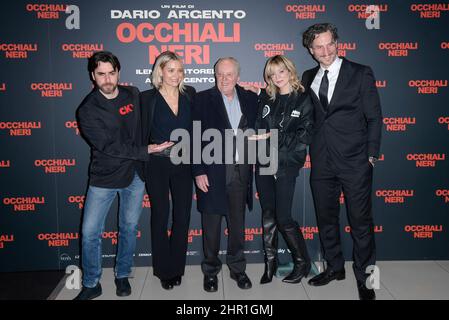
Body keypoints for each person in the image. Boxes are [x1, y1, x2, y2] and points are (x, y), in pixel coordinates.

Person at [301, 23, 382, 300]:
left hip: (355, 161)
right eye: (318, 47)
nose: (325, 51)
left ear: (337, 43)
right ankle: (335, 267)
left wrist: (371, 156)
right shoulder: (308, 75)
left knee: (360, 222)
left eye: (329, 44)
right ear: (311, 51)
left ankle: (365, 277)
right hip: (321, 160)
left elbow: (374, 117)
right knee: (326, 219)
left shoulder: (360, 73)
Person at [75, 51, 153, 300]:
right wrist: (145, 151)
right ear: (93, 75)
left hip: (135, 176)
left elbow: (147, 123)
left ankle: (122, 275)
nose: (107, 79)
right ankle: (91, 283)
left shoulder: (133, 93)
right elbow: (109, 147)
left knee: (129, 228)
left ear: (118, 72)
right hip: (104, 178)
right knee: (90, 233)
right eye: (101, 74)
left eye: (111, 73)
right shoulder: (87, 110)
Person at [192, 57, 258, 292]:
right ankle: (210, 272)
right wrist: (198, 170)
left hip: (240, 172)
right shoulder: (201, 99)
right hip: (212, 172)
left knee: (237, 226)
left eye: (229, 74)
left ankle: (238, 269)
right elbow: (193, 138)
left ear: (238, 76)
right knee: (211, 228)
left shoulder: (251, 98)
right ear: (214, 75)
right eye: (220, 74)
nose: (225, 79)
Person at [251, 55, 314, 285]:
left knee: (284, 216)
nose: (277, 78)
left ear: (290, 71)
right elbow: (259, 126)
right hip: (264, 161)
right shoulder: (268, 98)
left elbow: (305, 134)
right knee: (268, 213)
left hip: (286, 163)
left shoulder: (304, 99)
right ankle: (271, 264)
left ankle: (302, 262)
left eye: (281, 72)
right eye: (272, 74)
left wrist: (274, 138)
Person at [140, 51, 196, 290]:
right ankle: (164, 270)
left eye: (180, 70)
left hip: (184, 162)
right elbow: (136, 132)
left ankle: (177, 267)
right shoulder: (146, 98)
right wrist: (146, 150)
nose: (176, 75)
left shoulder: (190, 94)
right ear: (160, 71)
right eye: (171, 70)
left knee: (182, 216)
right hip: (157, 164)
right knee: (160, 216)